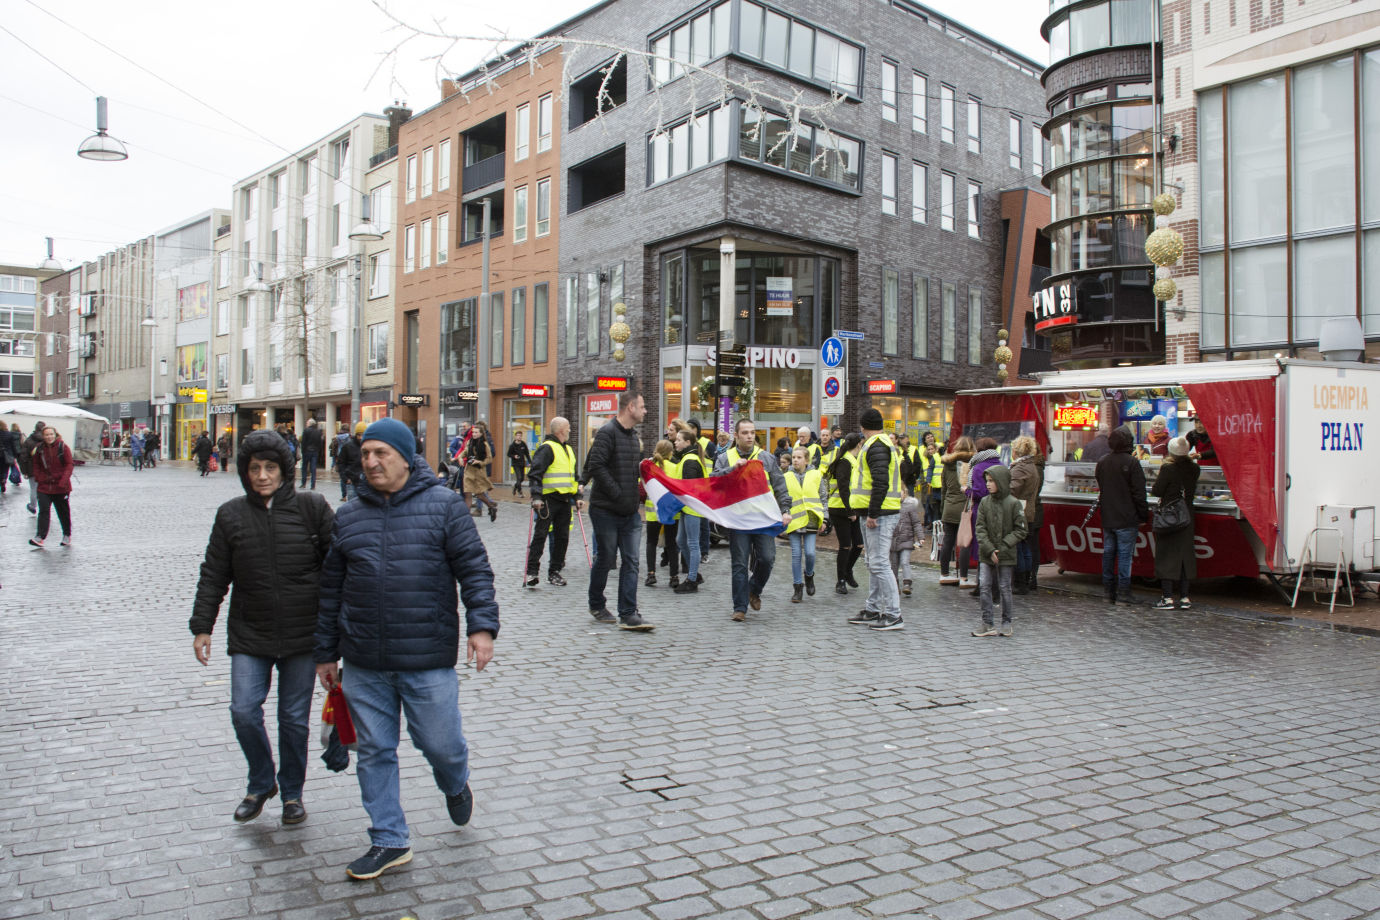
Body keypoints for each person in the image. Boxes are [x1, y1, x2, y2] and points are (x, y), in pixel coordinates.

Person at [313, 418, 497, 880]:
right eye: (366, 454)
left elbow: (474, 569)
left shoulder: (444, 506)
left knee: (441, 745)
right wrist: (325, 653)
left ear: (404, 456)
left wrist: (482, 628)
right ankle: (389, 839)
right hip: (363, 661)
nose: (371, 462)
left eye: (381, 454)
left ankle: (455, 782)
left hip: (426, 658)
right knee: (374, 750)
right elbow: (330, 589)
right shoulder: (349, 514)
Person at [190, 430, 333, 827]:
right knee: (243, 710)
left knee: (292, 719)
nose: (263, 475)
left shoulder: (313, 508)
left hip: (303, 636)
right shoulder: (231, 514)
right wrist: (203, 626)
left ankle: (291, 793)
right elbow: (214, 574)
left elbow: (338, 570)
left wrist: (336, 640)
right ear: (245, 472)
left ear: (284, 471)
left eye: (270, 467)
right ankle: (260, 780)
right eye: (254, 468)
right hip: (250, 634)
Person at [585, 391, 652, 630]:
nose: (645, 411)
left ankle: (628, 613)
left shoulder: (634, 437)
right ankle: (596, 603)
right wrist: (617, 492)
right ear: (630, 407)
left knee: (632, 561)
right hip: (605, 510)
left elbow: (633, 472)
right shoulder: (606, 432)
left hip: (630, 513)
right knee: (606, 559)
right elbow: (596, 466)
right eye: (642, 407)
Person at [714, 418, 792, 622]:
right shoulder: (725, 458)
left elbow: (780, 485)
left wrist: (785, 510)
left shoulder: (765, 458)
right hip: (738, 520)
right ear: (737, 436)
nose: (750, 436)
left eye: (752, 432)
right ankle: (739, 607)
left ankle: (754, 589)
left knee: (767, 558)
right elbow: (714, 482)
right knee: (739, 564)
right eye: (745, 432)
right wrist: (733, 470)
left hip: (763, 519)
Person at [846, 409, 905, 631]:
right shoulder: (880, 443)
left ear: (863, 426)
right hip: (877, 511)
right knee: (874, 563)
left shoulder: (876, 445)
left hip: (880, 514)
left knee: (879, 563)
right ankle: (873, 610)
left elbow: (880, 482)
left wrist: (872, 513)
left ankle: (893, 614)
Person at [525, 417, 584, 588]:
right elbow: (535, 474)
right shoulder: (547, 449)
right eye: (568, 428)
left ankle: (554, 571)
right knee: (540, 535)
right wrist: (536, 497)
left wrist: (578, 498)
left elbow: (574, 477)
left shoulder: (569, 450)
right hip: (548, 500)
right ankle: (532, 572)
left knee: (562, 538)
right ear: (560, 430)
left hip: (565, 501)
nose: (570, 431)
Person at [972, 465, 1027, 638]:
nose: (988, 484)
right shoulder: (985, 503)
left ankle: (1006, 622)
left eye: (992, 481)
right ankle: (987, 622)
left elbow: (1020, 530)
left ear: (1001, 482)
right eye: (987, 481)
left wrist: (1002, 547)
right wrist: (989, 549)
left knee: (1005, 587)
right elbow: (980, 528)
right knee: (985, 585)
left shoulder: (1013, 503)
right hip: (987, 553)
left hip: (1006, 553)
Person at [1096, 427, 1149, 605]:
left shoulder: (1103, 462)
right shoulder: (1132, 463)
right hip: (1127, 518)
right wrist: (1143, 516)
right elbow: (1139, 494)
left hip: (1108, 516)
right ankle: (1123, 593)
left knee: (1108, 553)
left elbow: (1101, 486)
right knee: (1125, 556)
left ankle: (1107, 592)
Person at [1152, 436, 1200, 610]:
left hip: (1170, 516)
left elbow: (1158, 490)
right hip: (1187, 516)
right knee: (1185, 556)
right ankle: (1185, 597)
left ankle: (1167, 598)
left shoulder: (1168, 468)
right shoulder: (1194, 469)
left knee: (1166, 555)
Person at [962, 438, 1004, 596]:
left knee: (982, 548)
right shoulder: (1002, 465)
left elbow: (979, 492)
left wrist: (966, 490)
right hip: (1000, 511)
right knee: (995, 547)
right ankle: (992, 586)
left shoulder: (978, 467)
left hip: (982, 511)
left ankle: (985, 587)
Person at [784, 445, 825, 603]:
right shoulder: (786, 476)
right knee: (795, 554)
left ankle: (809, 575)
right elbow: (783, 498)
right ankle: (797, 587)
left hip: (811, 519)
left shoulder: (816, 475)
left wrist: (825, 518)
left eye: (799, 457)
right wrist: (784, 513)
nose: (795, 460)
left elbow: (823, 497)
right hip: (794, 521)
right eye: (793, 457)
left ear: (806, 460)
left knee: (810, 553)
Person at [826, 433, 864, 594]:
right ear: (858, 445)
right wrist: (850, 511)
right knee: (845, 545)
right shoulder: (845, 462)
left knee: (859, 544)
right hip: (840, 509)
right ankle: (840, 580)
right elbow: (843, 487)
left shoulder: (852, 460)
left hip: (852, 508)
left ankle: (847, 571)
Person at [1008, 435, 1045, 595]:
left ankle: (1020, 582)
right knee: (1026, 547)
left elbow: (1011, 490)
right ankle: (1027, 579)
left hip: (1018, 512)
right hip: (1028, 512)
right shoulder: (1032, 466)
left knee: (1019, 548)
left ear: (1017, 451)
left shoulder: (1021, 468)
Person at [671, 427, 707, 593]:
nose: (675, 442)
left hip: (691, 508)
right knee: (681, 541)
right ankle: (694, 573)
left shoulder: (690, 460)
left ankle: (692, 579)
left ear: (688, 442)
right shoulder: (688, 458)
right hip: (687, 507)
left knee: (692, 544)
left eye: (678, 440)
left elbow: (689, 487)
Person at [643, 440, 680, 589]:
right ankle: (674, 576)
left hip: (653, 510)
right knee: (672, 543)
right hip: (671, 510)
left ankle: (651, 574)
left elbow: (642, 485)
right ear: (671, 453)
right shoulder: (675, 467)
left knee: (651, 542)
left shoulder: (649, 468)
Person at [937, 436, 974, 586]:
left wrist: (943, 508)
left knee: (947, 541)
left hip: (949, 506)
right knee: (964, 543)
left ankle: (944, 574)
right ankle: (964, 578)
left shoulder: (948, 465)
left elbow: (944, 489)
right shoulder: (972, 464)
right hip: (965, 507)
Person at [29, 426, 73, 547]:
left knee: (63, 511)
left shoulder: (63, 447)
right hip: (44, 486)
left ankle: (67, 534)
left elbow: (69, 465)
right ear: (43, 436)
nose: (49, 437)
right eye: (46, 435)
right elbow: (36, 465)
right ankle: (40, 537)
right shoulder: (39, 449)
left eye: (51, 434)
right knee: (43, 510)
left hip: (61, 486)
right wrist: (39, 477)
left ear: (55, 434)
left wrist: (63, 481)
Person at [890, 490, 923, 597]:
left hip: (907, 540)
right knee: (893, 565)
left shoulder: (909, 507)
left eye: (901, 493)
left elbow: (916, 523)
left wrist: (920, 537)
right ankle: (894, 585)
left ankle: (907, 584)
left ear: (905, 494)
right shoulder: (889, 507)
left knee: (904, 562)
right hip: (893, 541)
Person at [464, 426, 498, 522]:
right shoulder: (469, 442)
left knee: (479, 495)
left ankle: (491, 507)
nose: (474, 434)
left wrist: (479, 462)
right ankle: (466, 518)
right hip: (468, 471)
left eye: (476, 432)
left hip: (479, 472)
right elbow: (465, 452)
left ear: (481, 434)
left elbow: (489, 459)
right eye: (473, 432)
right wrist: (458, 457)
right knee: (467, 493)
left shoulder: (485, 444)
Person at [336, 422, 365, 501]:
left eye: (362, 435)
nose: (360, 437)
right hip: (352, 482)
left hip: (365, 483)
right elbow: (341, 463)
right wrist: (345, 478)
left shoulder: (368, 446)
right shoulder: (348, 446)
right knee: (352, 506)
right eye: (359, 435)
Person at [19, 421, 43, 514]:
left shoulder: (29, 440)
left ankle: (33, 506)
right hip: (43, 469)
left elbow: (23, 456)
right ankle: (44, 506)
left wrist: (24, 471)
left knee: (33, 488)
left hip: (31, 467)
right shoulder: (46, 440)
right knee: (43, 489)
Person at [299, 418, 325, 490]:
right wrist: (318, 450)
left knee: (304, 467)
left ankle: (303, 483)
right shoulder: (318, 432)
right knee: (313, 468)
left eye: (307, 423)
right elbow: (320, 442)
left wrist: (303, 451)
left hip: (307, 451)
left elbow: (303, 442)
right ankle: (313, 485)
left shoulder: (306, 430)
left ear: (309, 424)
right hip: (315, 451)